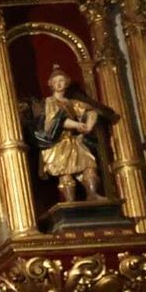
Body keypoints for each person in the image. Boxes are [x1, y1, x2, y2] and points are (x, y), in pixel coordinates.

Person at [31, 66, 104, 202]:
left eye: (62, 80)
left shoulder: (72, 103)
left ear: (67, 83)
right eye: (56, 81)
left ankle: (92, 193)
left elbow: (92, 112)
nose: (59, 83)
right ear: (51, 84)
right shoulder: (49, 102)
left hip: (74, 141)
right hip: (58, 142)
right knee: (65, 172)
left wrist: (88, 126)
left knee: (90, 166)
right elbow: (56, 120)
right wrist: (77, 125)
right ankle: (70, 201)